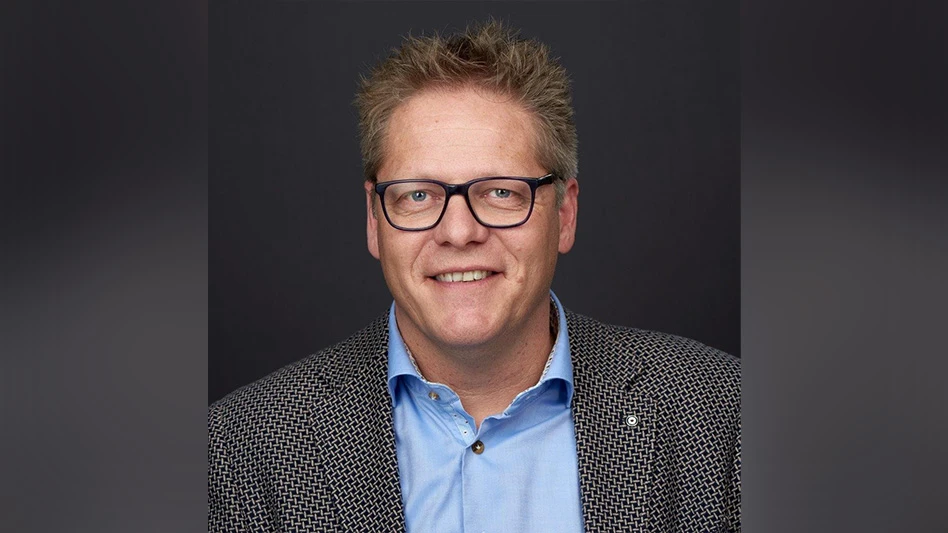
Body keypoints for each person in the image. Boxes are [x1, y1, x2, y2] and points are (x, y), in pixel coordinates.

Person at [208, 20, 740, 532]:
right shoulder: (238, 450)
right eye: (418, 195)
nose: (458, 232)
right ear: (375, 221)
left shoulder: (725, 416)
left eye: (501, 192)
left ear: (565, 214)